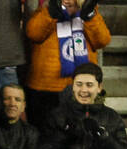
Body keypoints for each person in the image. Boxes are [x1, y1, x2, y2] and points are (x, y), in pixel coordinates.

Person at [24, 0, 111, 134]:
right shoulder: (47, 9)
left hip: (81, 88)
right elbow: (33, 33)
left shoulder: (89, 11)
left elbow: (102, 40)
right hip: (46, 88)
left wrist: (89, 15)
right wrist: (53, 12)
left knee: (78, 138)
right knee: (44, 139)